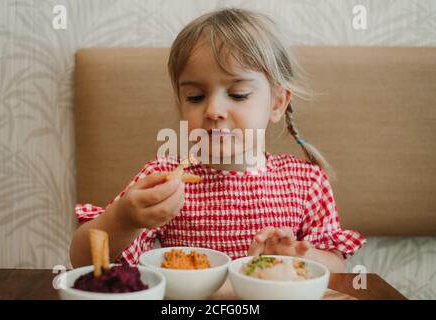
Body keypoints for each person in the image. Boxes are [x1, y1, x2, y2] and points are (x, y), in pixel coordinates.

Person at [70, 8, 365, 273]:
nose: (212, 111)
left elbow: (336, 267)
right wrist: (124, 219)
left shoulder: (306, 182)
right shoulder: (164, 179)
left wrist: (298, 255)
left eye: (237, 94)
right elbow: (84, 260)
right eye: (195, 97)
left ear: (276, 103)